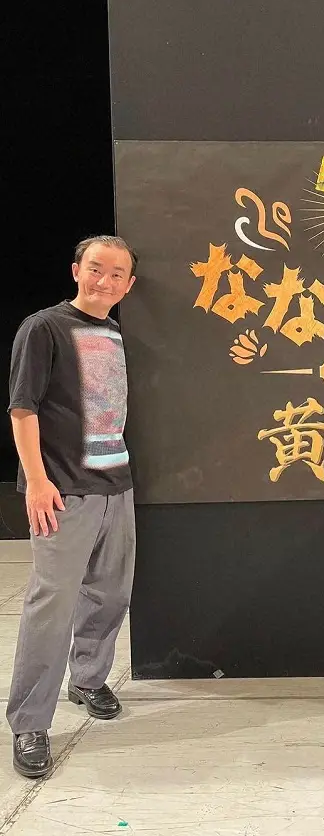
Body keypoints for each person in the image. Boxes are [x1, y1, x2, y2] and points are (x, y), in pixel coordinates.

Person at [6, 236, 137, 778]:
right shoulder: (44, 328)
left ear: (129, 285)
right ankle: (29, 724)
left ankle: (87, 680)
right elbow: (22, 409)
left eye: (116, 274)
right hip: (63, 491)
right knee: (51, 607)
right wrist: (36, 482)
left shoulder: (118, 333)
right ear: (76, 270)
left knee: (109, 595)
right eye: (96, 269)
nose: (104, 280)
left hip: (116, 485)